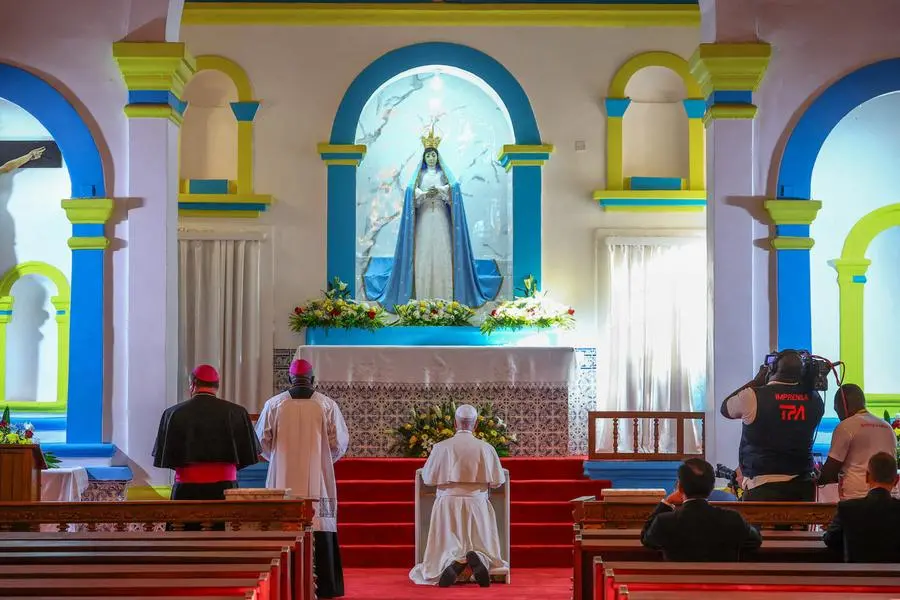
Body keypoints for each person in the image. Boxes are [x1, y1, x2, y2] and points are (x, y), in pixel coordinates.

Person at [372, 126, 499, 308]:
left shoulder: (443, 175)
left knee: (442, 254)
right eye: (428, 155)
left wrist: (439, 190)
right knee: (423, 255)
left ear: (438, 157)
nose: (431, 158)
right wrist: (423, 194)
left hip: (440, 218)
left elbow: (453, 190)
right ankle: (422, 301)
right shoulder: (419, 176)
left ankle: (445, 301)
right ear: (424, 158)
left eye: (433, 155)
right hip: (424, 219)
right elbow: (410, 194)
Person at [256, 359, 348, 599]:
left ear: (289, 379)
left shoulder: (274, 404)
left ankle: (282, 584)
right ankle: (325, 585)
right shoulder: (326, 405)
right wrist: (324, 459)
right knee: (318, 521)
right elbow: (338, 443)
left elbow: (262, 442)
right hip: (318, 476)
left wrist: (276, 458)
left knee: (283, 521)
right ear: (313, 379)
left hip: (282, 476)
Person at [410, 404, 507, 588]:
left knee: (447, 545)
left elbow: (429, 478)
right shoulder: (486, 448)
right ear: (476, 424)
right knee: (480, 543)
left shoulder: (441, 447)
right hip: (477, 502)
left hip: (447, 503)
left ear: (455, 423)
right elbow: (497, 481)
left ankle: (451, 564)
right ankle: (479, 561)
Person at [721, 350, 824, 501]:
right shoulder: (815, 399)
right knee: (798, 525)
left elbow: (725, 408)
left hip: (762, 487)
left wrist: (757, 380)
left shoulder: (753, 396)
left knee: (760, 525)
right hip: (802, 487)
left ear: (772, 369)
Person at [152, 364, 261, 503]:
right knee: (222, 525)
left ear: (192, 385)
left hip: (186, 488)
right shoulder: (237, 413)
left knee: (186, 525)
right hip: (225, 488)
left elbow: (166, 455)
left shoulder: (173, 413)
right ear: (217, 386)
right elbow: (249, 454)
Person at [641, 458, 762, 561]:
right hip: (722, 585)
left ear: (680, 488)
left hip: (680, 585)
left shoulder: (664, 522)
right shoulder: (732, 518)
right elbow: (755, 541)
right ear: (712, 487)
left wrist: (666, 502)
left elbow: (646, 539)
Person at [817, 384, 897, 499]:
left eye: (836, 409)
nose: (838, 414)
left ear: (843, 404)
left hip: (855, 500)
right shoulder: (887, 427)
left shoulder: (845, 426)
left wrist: (814, 477)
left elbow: (830, 472)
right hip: (887, 500)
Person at [823, 452, 900, 562]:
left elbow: (830, 540)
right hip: (895, 577)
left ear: (867, 476)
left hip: (856, 576)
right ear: (896, 480)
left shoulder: (847, 508)